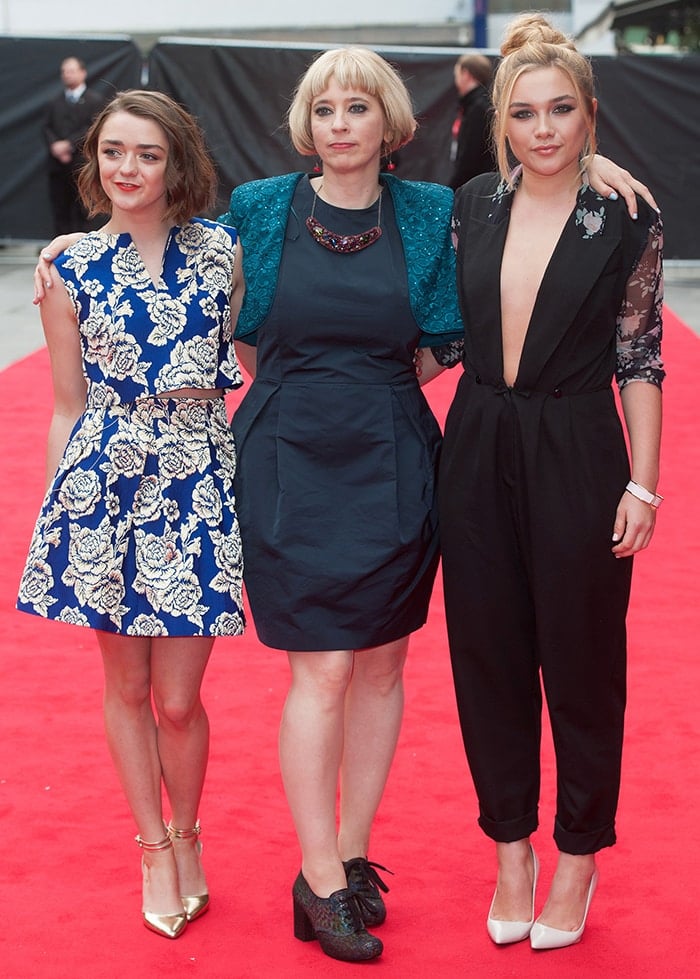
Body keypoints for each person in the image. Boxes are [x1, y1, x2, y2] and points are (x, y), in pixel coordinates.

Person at [32, 49, 657, 964]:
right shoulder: (259, 208)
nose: (339, 124)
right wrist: (69, 246)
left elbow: (453, 331)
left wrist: (592, 157)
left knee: (382, 668)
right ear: (304, 123)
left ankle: (356, 856)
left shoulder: (434, 210)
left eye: (357, 107)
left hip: (399, 454)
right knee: (321, 669)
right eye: (323, 108)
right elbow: (214, 304)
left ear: (390, 124)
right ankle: (319, 876)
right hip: (289, 458)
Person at [437, 14, 664, 951]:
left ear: (590, 115)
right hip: (478, 439)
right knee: (485, 659)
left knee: (581, 664)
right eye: (524, 112)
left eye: (561, 110)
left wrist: (643, 487)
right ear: (499, 121)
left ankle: (578, 853)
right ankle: (511, 852)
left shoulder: (627, 213)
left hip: (579, 443)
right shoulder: (471, 203)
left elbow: (641, 354)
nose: (542, 128)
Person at [18, 90, 246, 940]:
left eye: (147, 153)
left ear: (176, 161)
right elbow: (66, 404)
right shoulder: (68, 269)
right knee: (127, 685)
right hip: (105, 480)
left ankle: (190, 832)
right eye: (113, 151)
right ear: (94, 160)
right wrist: (58, 518)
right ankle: (153, 844)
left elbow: (249, 354)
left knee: (180, 699)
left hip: (196, 478)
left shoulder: (223, 252)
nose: (127, 168)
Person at [44, 56, 105, 235]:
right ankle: (60, 252)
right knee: (60, 210)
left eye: (71, 71)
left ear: (82, 73)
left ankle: (83, 248)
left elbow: (92, 128)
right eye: (64, 72)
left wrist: (68, 145)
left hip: (82, 165)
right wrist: (56, 147)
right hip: (57, 167)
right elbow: (46, 127)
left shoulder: (96, 101)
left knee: (84, 210)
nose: (67, 75)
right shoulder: (53, 102)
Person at [448, 53, 494, 189]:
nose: (456, 80)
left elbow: (470, 158)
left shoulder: (479, 108)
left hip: (478, 186)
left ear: (466, 74)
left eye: (456, 75)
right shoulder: (472, 106)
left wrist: (453, 189)